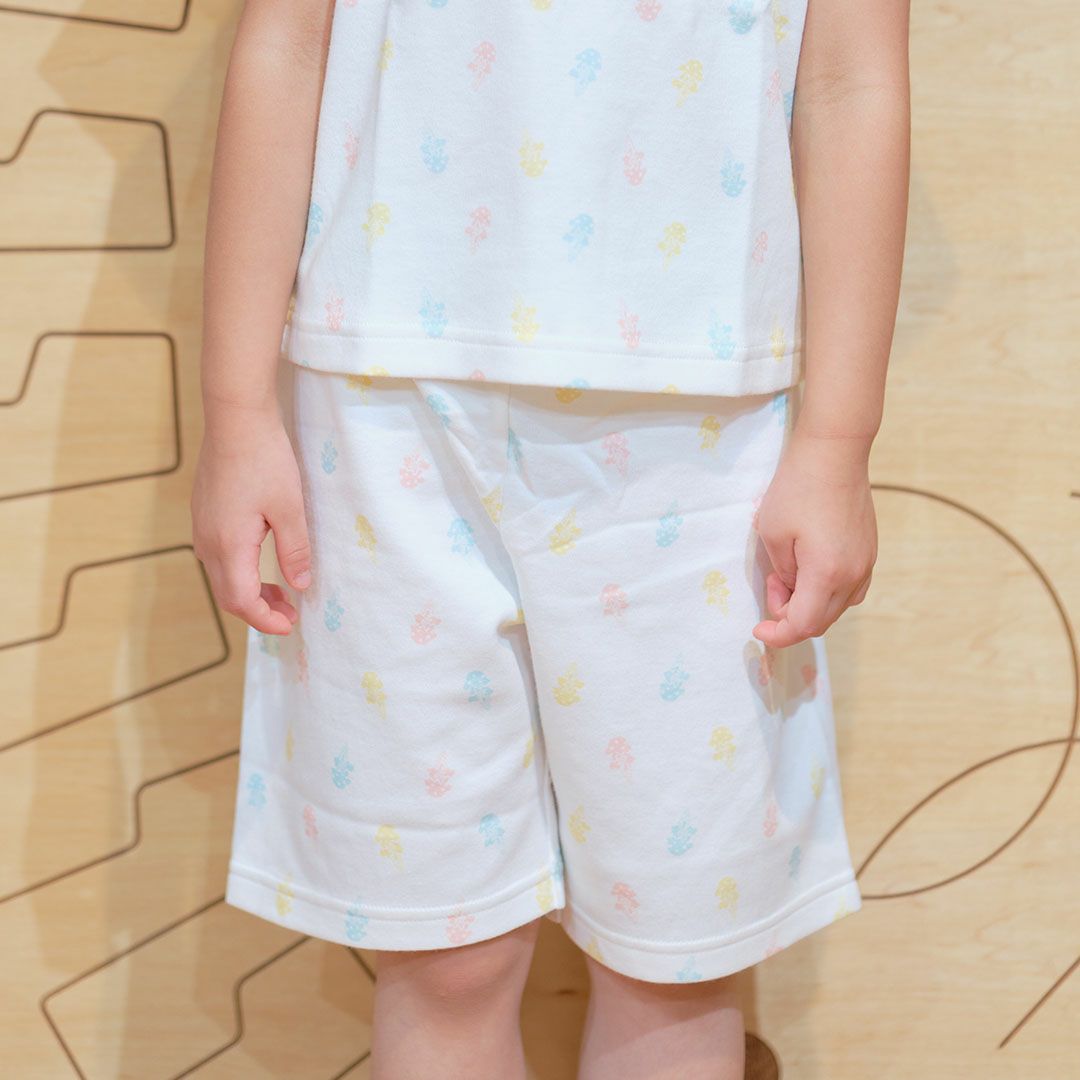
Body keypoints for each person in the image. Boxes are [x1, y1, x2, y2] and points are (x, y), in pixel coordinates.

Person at [190, 2, 909, 1077]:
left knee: (673, 961)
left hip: (700, 420)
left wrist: (839, 440)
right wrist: (236, 410)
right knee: (444, 957)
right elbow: (286, 41)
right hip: (382, 398)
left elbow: (853, 77)